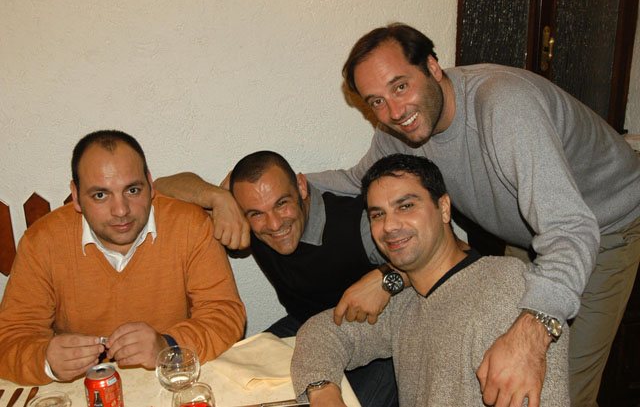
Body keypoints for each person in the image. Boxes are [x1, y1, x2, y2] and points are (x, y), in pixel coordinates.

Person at [305, 23, 640, 407]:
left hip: (600, 228)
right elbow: (353, 180)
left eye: (400, 86)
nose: (395, 112)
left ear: (433, 67)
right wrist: (270, 190)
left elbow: (569, 228)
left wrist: (534, 331)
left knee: (558, 385)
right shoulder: (400, 131)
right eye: (376, 101)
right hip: (528, 234)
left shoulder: (504, 105)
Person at [291, 153, 570, 407]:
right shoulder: (407, 300)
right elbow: (322, 332)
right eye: (378, 214)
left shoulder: (504, 290)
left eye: (406, 206)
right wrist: (322, 391)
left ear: (444, 208)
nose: (389, 226)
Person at [0, 130, 246, 386]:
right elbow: (9, 338)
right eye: (100, 195)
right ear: (76, 196)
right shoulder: (42, 241)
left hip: (170, 381)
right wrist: (46, 361)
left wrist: (168, 345)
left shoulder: (189, 225)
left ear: (150, 185)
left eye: (132, 190)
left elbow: (224, 314)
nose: (121, 211)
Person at [155, 150, 400, 407]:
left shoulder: (357, 223)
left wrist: (387, 278)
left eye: (281, 204)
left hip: (374, 342)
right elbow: (161, 187)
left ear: (302, 186)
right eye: (256, 213)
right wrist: (218, 197)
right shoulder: (246, 220)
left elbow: (426, 256)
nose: (273, 224)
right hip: (304, 324)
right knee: (227, 377)